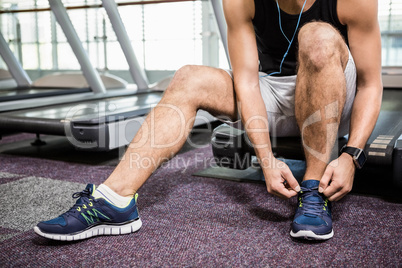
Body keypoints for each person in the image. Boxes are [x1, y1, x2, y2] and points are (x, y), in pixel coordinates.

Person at [34, 0, 382, 241]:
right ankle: (114, 200)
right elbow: (246, 81)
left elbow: (370, 82)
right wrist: (266, 158)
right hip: (271, 92)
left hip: (335, 89)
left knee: (317, 37)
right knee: (190, 77)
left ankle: (313, 191)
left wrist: (353, 155)